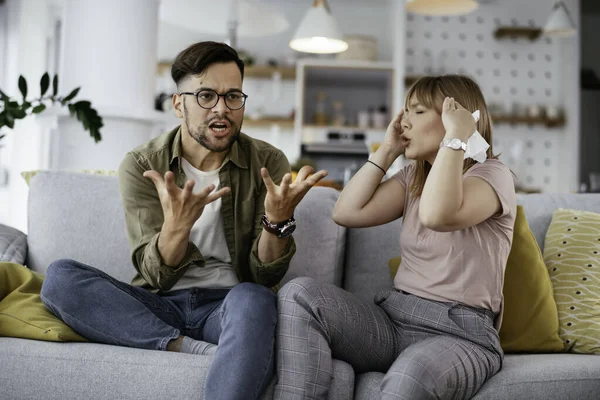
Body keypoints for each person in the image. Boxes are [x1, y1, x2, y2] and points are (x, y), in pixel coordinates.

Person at [40, 41, 327, 400]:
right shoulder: (143, 164)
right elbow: (154, 275)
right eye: (206, 96)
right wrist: (177, 226)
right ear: (179, 104)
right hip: (157, 306)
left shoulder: (267, 161)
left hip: (227, 308)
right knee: (59, 279)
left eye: (233, 96)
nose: (222, 109)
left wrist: (277, 221)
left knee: (255, 299)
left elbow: (264, 276)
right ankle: (185, 347)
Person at [274, 75, 517, 400]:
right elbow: (345, 213)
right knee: (300, 294)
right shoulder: (412, 178)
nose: (402, 121)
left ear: (457, 116)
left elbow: (436, 215)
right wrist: (387, 150)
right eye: (404, 111)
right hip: (394, 320)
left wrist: (458, 137)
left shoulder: (491, 175)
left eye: (416, 111)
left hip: (463, 334)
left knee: (411, 372)